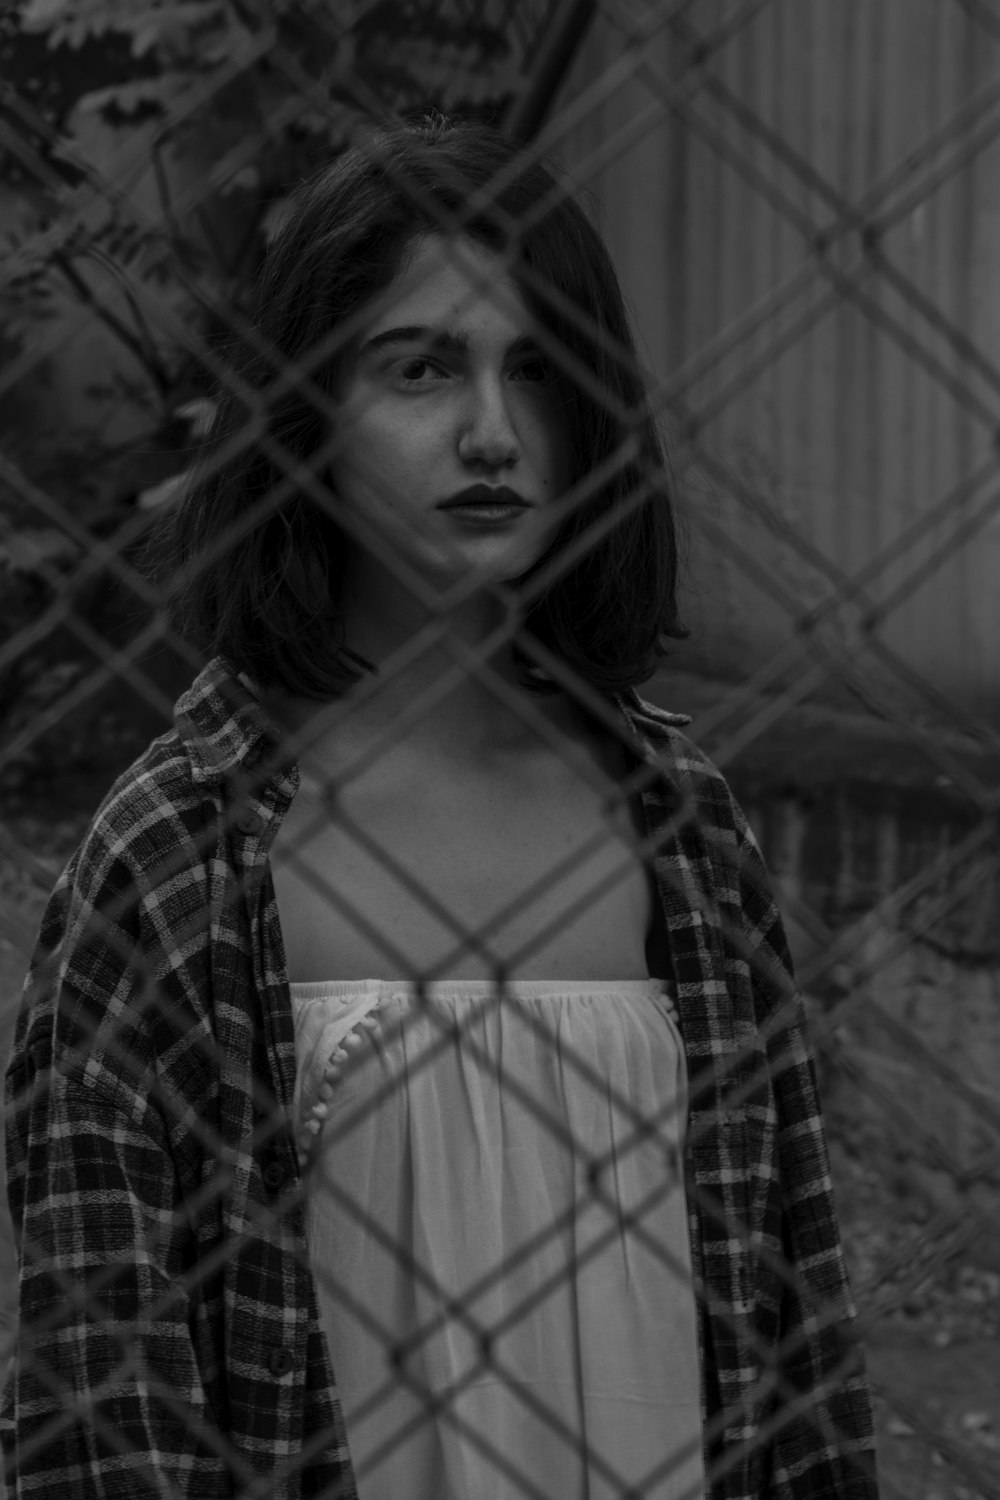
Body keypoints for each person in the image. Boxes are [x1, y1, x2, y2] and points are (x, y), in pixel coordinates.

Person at [3, 117, 878, 1499]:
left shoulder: (684, 831)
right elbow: (101, 1410)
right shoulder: (180, 856)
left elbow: (798, 1349)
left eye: (538, 370)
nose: (492, 431)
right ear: (308, 415)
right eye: (422, 367)